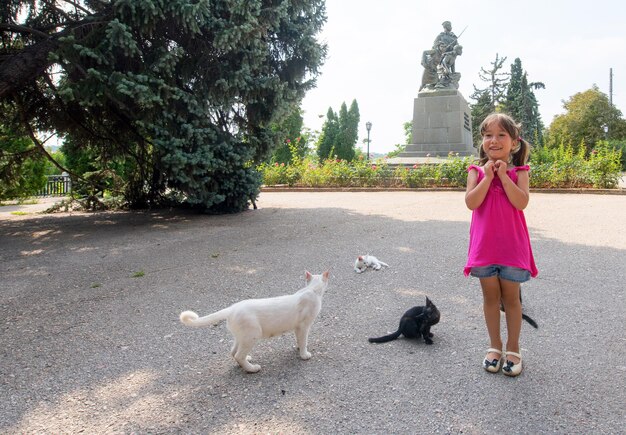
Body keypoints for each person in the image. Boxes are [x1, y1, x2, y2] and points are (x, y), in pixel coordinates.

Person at [464, 113, 538, 377]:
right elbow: (472, 203)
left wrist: (504, 176)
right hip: (484, 249)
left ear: (514, 142)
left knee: (512, 300)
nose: (493, 140)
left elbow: (521, 202)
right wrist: (487, 177)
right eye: (487, 135)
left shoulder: (520, 172)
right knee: (490, 299)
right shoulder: (475, 171)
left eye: (501, 135)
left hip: (512, 249)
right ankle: (494, 346)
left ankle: (513, 347)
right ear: (482, 140)